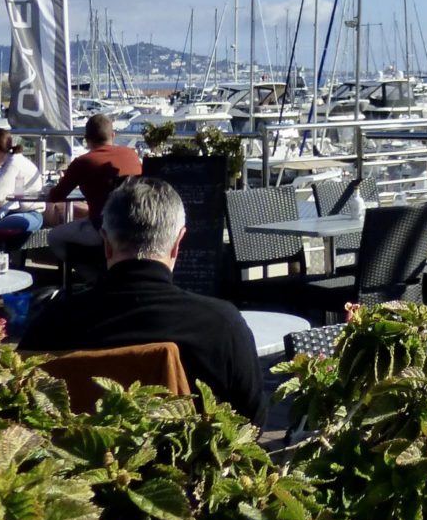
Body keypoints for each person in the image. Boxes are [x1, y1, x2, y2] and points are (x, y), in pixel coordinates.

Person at [20, 177, 265, 421]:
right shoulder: (220, 325)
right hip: (184, 448)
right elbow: (252, 421)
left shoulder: (53, 322)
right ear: (178, 243)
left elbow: (22, 406)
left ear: (106, 243)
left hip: (78, 446)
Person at [46, 115, 143, 249]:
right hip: (134, 226)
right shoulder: (131, 155)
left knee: (54, 236)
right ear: (113, 135)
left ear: (86, 139)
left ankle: (84, 263)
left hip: (101, 228)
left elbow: (56, 196)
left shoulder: (83, 162)